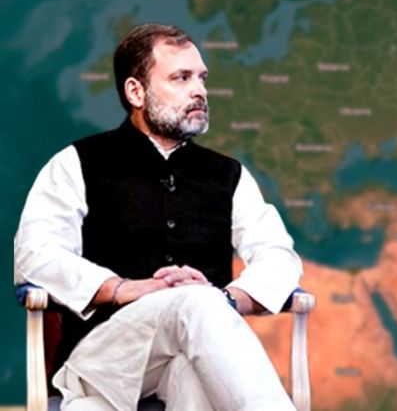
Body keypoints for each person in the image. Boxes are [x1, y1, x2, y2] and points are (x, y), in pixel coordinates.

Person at [14, 23, 301, 410]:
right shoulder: (76, 163)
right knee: (196, 302)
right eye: (181, 78)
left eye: (201, 78)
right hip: (106, 357)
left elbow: (278, 256)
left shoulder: (228, 175)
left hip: (189, 352)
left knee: (194, 365)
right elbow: (36, 254)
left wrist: (227, 299)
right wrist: (120, 288)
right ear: (136, 92)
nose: (199, 90)